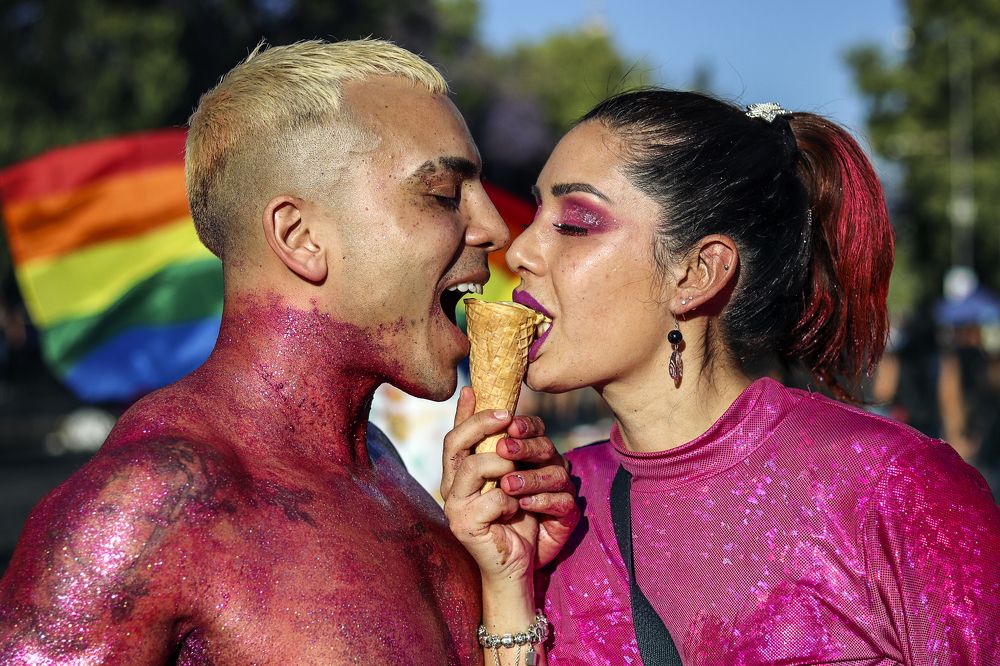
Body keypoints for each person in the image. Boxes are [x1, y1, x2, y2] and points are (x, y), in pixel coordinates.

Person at [0, 39, 576, 664]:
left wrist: (508, 586)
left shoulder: (386, 473)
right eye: (441, 194)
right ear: (299, 236)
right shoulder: (148, 505)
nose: (494, 229)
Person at [443, 90, 1000, 665]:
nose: (523, 248)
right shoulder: (552, 506)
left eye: (576, 223)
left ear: (697, 273)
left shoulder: (892, 487)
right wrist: (508, 583)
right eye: (536, 215)